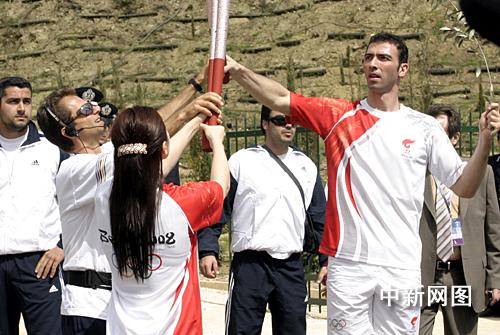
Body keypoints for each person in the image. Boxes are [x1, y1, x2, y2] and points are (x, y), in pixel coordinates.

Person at [222, 32, 500, 334]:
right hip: (349, 266)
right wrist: (237, 70)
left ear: (402, 69)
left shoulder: (425, 128)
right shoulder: (338, 116)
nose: (373, 64)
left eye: (383, 58)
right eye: (368, 57)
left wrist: (485, 141)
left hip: (401, 266)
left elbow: (464, 186)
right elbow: (278, 98)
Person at [36, 77, 222, 334]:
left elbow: (149, 146)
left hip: (117, 302)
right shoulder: (74, 170)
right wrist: (189, 115)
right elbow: (145, 149)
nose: (96, 109)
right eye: (86, 110)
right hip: (89, 304)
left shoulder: (106, 155)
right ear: (68, 131)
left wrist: (195, 102)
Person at [94, 106, 229, 335]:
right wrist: (216, 142)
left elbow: (144, 169)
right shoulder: (181, 203)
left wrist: (196, 120)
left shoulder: (102, 196)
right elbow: (221, 186)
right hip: (178, 329)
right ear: (164, 149)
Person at [198, 105, 327, 335]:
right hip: (250, 265)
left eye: (293, 121)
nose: (288, 125)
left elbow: (320, 219)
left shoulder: (306, 166)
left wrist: (326, 261)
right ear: (265, 124)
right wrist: (208, 249)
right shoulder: (241, 161)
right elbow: (217, 208)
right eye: (280, 120)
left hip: (290, 266)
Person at [419, 104, 500, 335]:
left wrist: (494, 279)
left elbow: (493, 229)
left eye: (439, 135)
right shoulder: (414, 173)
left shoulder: (481, 173)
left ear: (454, 138)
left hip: (462, 275)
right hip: (422, 274)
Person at [0, 76, 65, 335]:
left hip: (40, 265)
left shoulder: (52, 150)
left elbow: (78, 205)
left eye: (26, 101)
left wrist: (62, 245)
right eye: (13, 101)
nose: (21, 108)